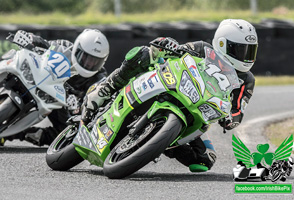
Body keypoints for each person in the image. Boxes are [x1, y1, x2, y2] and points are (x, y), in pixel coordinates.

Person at [82, 19, 258, 172]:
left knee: (205, 159)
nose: (247, 57)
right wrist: (168, 46)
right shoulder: (203, 49)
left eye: (251, 51)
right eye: (241, 50)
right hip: (174, 85)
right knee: (144, 54)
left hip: (198, 113)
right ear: (222, 44)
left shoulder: (247, 80)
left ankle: (158, 144)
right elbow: (177, 51)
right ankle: (107, 87)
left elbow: (238, 109)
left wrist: (230, 119)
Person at [2, 29, 110, 146]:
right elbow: (44, 43)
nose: (89, 64)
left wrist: (79, 106)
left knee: (67, 136)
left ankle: (16, 134)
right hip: (40, 80)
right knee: (12, 56)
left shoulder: (99, 79)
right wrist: (29, 38)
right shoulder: (65, 46)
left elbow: (94, 102)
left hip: (62, 104)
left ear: (102, 62)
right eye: (86, 57)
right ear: (77, 49)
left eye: (95, 61)